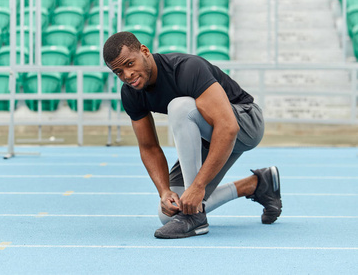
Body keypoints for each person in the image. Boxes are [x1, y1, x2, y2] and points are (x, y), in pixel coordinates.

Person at [103, 31, 282, 239]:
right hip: (209, 135)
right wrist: (164, 192)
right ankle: (257, 184)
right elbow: (149, 147)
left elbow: (228, 127)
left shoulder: (186, 69)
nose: (127, 75)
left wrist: (198, 187)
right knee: (169, 214)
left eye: (129, 64)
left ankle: (195, 217)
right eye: (118, 72)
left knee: (179, 106)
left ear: (144, 51)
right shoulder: (130, 94)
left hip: (246, 122)